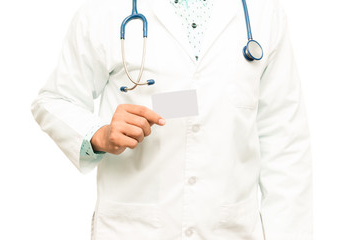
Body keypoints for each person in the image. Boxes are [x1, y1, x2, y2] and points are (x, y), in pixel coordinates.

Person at [31, 0, 313, 239]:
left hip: (229, 229)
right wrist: (99, 134)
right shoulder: (105, 10)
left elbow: (285, 146)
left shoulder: (263, 12)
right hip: (134, 227)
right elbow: (54, 99)